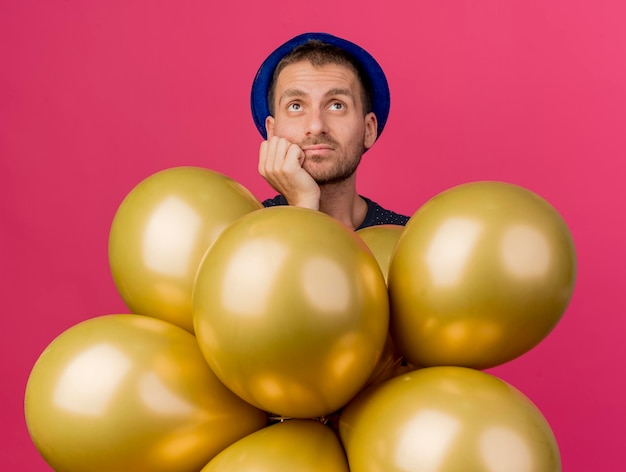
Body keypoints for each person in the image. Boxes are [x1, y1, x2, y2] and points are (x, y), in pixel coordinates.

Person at [250, 32, 410, 230]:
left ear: (369, 129)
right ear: (272, 132)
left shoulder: (407, 239)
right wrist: (303, 203)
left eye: (336, 105)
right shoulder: (246, 235)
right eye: (296, 106)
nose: (316, 126)